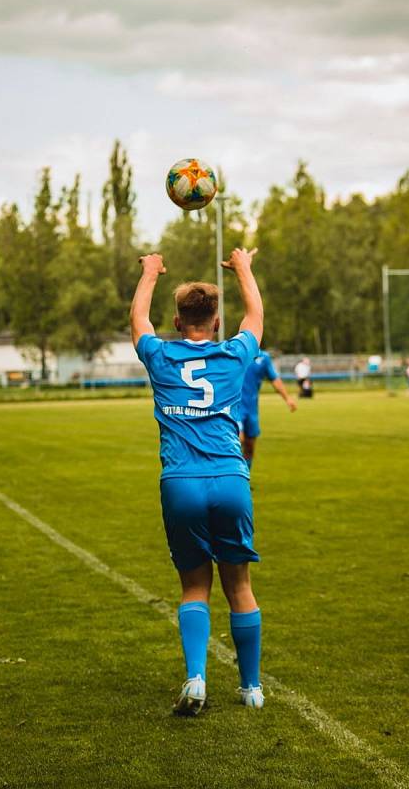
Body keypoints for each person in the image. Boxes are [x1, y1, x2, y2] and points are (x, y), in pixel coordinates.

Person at [130, 247, 264, 715]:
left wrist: (150, 271)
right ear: (217, 321)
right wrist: (243, 267)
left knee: (194, 588)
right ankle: (251, 689)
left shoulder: (160, 356)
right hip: (230, 478)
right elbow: (257, 316)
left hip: (180, 482)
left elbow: (139, 321)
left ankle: (196, 680)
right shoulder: (234, 354)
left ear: (177, 319)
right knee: (239, 585)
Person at [240, 351, 297, 470]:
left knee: (250, 447)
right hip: (234, 408)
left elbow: (274, 379)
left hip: (251, 409)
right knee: (238, 441)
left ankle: (245, 481)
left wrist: (287, 398)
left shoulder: (263, 357)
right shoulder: (232, 351)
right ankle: (231, 482)